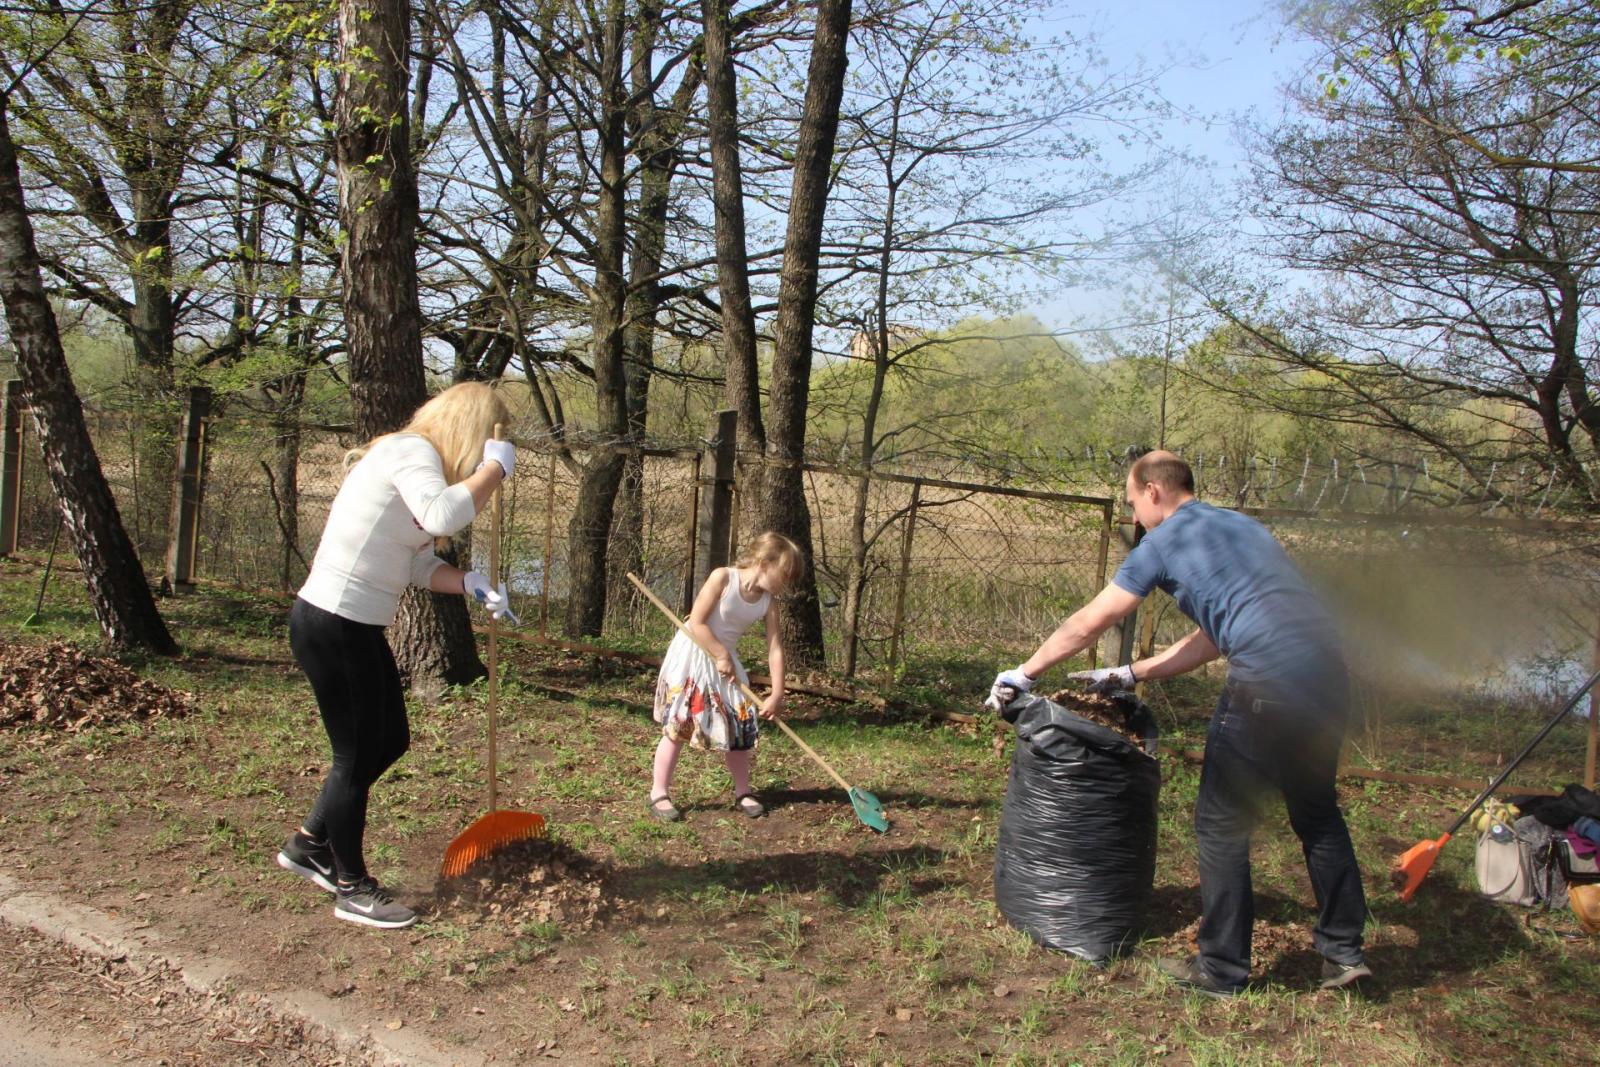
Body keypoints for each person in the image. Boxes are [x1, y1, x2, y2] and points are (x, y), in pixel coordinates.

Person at [987, 450, 1370, 996]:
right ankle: (1343, 953)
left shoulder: (1165, 542)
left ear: (1153, 492)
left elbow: (1091, 621)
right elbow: (1217, 634)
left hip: (1265, 685)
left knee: (1220, 826)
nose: (1134, 515)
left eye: (1131, 502)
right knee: (1317, 816)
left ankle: (1221, 969)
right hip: (1327, 679)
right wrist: (1131, 672)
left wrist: (1023, 674)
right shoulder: (1243, 529)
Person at [275, 382, 519, 930]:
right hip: (333, 622)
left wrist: (471, 582)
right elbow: (440, 516)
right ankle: (351, 886)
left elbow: (418, 563)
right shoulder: (411, 452)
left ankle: (309, 843)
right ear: (471, 431)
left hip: (354, 626)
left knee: (388, 741)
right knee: (354, 758)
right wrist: (494, 472)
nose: (483, 456)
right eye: (485, 444)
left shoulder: (418, 466)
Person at [648, 532, 803, 822]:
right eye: (784, 574)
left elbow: (774, 649)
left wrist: (777, 693)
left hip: (724, 661)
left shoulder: (768, 603)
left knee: (739, 723)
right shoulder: (723, 578)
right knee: (680, 724)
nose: (786, 583)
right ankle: (659, 792)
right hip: (695, 652)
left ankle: (743, 791)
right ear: (764, 562)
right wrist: (720, 654)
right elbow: (697, 621)